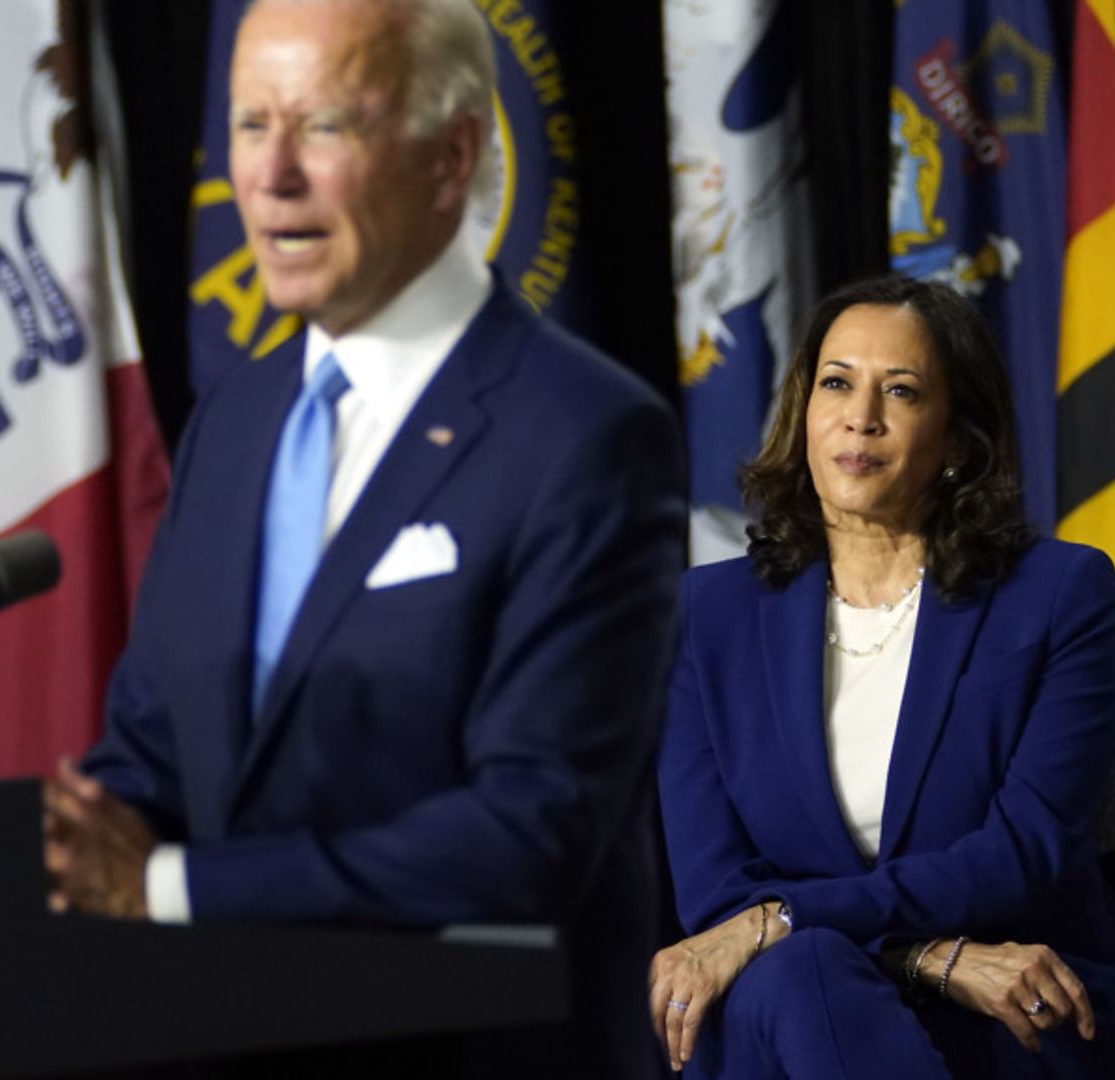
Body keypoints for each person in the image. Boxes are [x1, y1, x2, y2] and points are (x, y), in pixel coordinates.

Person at [42, 0, 685, 1073]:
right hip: (224, 1038)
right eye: (250, 124)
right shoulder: (233, 424)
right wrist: (42, 855)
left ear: (450, 158)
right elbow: (156, 748)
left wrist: (167, 889)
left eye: (325, 124)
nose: (272, 174)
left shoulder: (586, 435)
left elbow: (530, 830)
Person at [650, 276, 1115, 1077]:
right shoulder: (707, 617)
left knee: (796, 969)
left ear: (958, 440)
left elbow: (1020, 853)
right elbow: (718, 893)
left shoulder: (1054, 595)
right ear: (803, 411)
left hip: (1014, 998)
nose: (859, 417)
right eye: (837, 383)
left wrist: (791, 917)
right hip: (806, 996)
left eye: (899, 391)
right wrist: (924, 958)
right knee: (798, 978)